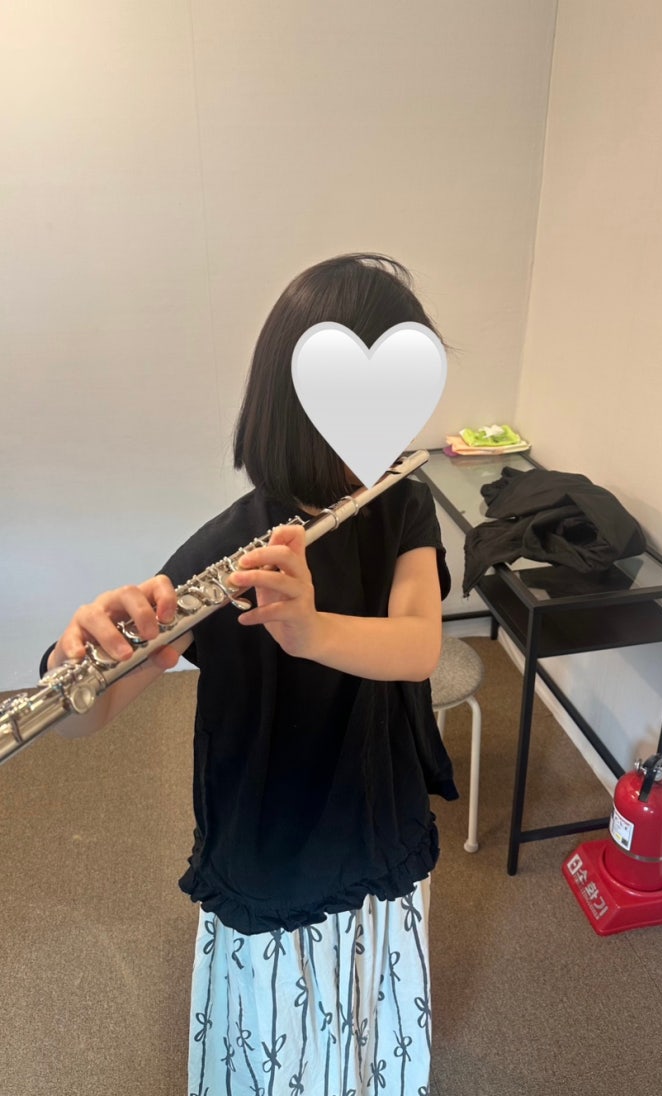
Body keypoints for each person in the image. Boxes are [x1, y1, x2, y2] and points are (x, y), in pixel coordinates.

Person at [44, 253, 457, 1096]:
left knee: (370, 1010)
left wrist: (311, 630)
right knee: (280, 1039)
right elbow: (94, 715)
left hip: (376, 807)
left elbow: (417, 646)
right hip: (275, 837)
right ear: (292, 404)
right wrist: (72, 665)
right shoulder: (232, 549)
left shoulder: (403, 502)